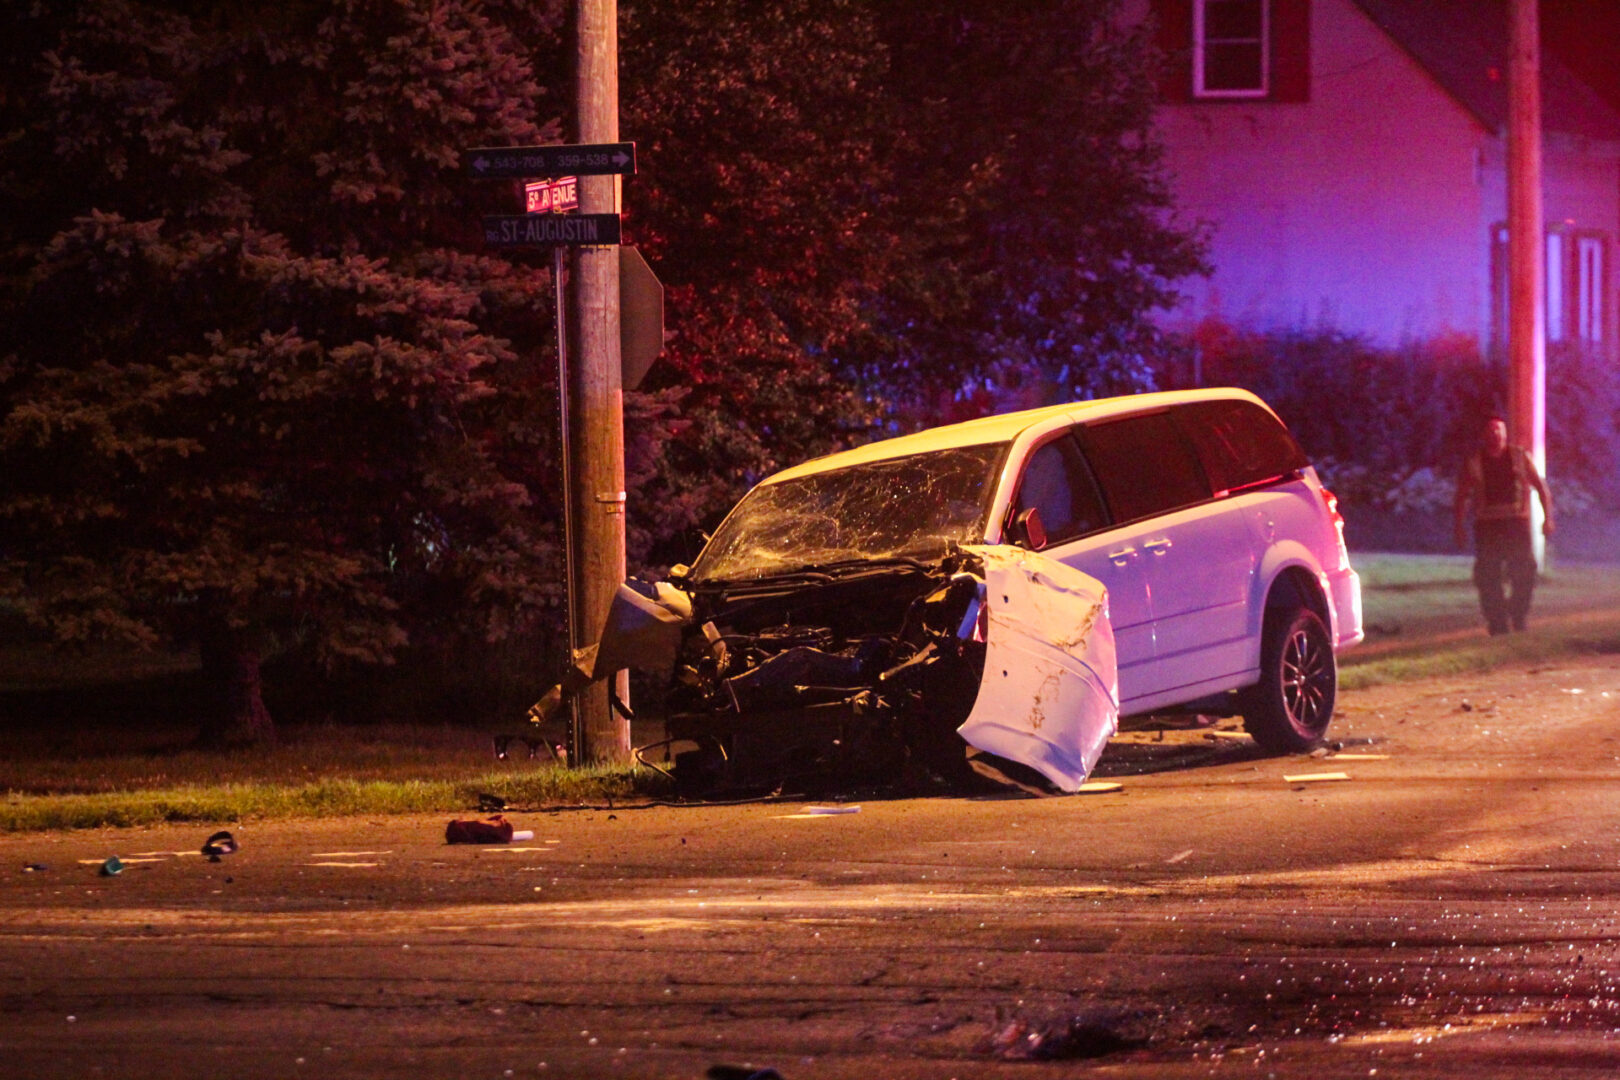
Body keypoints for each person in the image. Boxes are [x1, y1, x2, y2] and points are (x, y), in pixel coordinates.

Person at [1453, 416, 1553, 635]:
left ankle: (1518, 615)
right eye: (1490, 430)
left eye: (1499, 429)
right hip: (1487, 525)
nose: (1495, 434)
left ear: (1506, 433)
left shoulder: (1519, 457)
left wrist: (1549, 518)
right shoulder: (1475, 461)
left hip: (1516, 523)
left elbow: (1541, 487)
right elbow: (1462, 496)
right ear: (1483, 435)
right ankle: (1497, 622)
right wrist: (1459, 527)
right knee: (1488, 576)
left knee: (1524, 572)